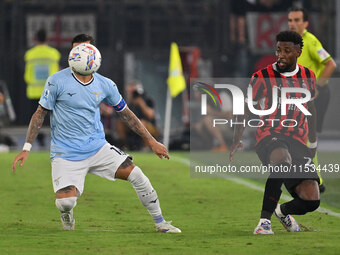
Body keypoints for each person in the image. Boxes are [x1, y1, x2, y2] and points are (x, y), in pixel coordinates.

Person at [13, 34, 181, 233]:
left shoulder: (105, 84)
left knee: (138, 175)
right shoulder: (56, 81)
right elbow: (40, 114)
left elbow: (126, 114)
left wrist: (152, 142)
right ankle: (67, 214)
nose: (82, 53)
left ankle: (161, 223)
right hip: (66, 153)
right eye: (77, 50)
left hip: (97, 148)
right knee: (66, 203)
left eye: (86, 49)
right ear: (71, 54)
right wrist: (26, 147)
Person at [230, 31, 320, 234]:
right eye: (278, 50)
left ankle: (281, 211)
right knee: (282, 160)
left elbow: (311, 110)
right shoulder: (261, 77)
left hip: (298, 140)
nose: (280, 55)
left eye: (287, 51)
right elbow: (245, 108)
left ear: (298, 52)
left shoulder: (308, 76)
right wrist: (237, 139)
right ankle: (264, 222)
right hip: (269, 135)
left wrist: (312, 143)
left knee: (311, 199)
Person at [288, 7, 337, 192]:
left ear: (305, 23)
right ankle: (312, 178)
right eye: (290, 20)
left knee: (307, 137)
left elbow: (330, 64)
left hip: (314, 95)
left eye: (297, 20)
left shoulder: (310, 41)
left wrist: (316, 85)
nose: (292, 23)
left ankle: (316, 180)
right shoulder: (293, 43)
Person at [24, 29, 61, 147]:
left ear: (35, 38)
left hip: (34, 92)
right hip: (49, 92)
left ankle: (37, 140)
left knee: (36, 119)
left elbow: (27, 76)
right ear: (47, 38)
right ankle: (56, 139)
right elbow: (56, 73)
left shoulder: (30, 54)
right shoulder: (54, 53)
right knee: (54, 118)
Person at [116, 81, 159, 150]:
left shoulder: (147, 100)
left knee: (142, 123)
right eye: (129, 92)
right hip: (133, 125)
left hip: (150, 127)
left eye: (133, 92)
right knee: (119, 123)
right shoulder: (128, 103)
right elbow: (123, 116)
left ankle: (146, 147)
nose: (132, 94)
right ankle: (125, 145)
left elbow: (151, 115)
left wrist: (141, 103)